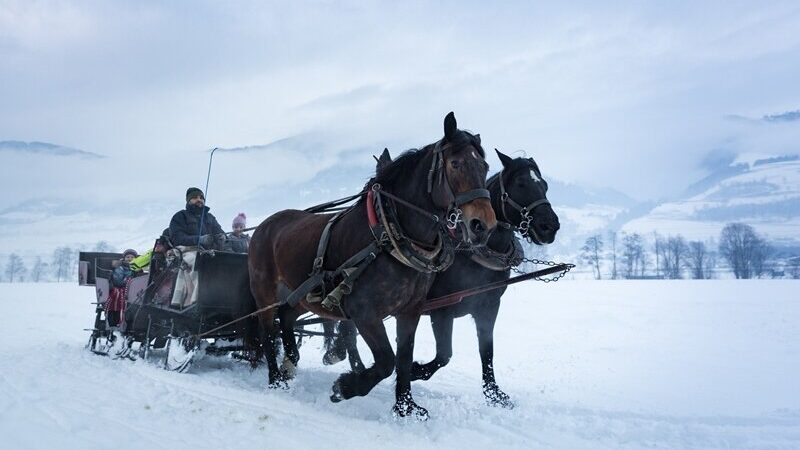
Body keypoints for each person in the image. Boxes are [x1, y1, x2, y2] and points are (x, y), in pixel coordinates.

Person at [168, 187, 224, 309]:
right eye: (195, 197)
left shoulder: (210, 217)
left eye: (201, 197)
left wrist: (222, 237)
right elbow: (177, 237)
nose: (199, 200)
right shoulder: (180, 216)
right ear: (188, 200)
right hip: (188, 250)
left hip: (210, 251)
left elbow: (219, 232)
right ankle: (196, 300)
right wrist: (199, 239)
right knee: (198, 262)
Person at [107, 249, 138, 327]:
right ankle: (117, 319)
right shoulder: (120, 268)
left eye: (132, 257)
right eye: (128, 257)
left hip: (134, 289)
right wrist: (128, 280)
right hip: (121, 287)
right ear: (124, 258)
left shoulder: (137, 268)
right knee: (118, 295)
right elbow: (118, 281)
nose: (130, 259)